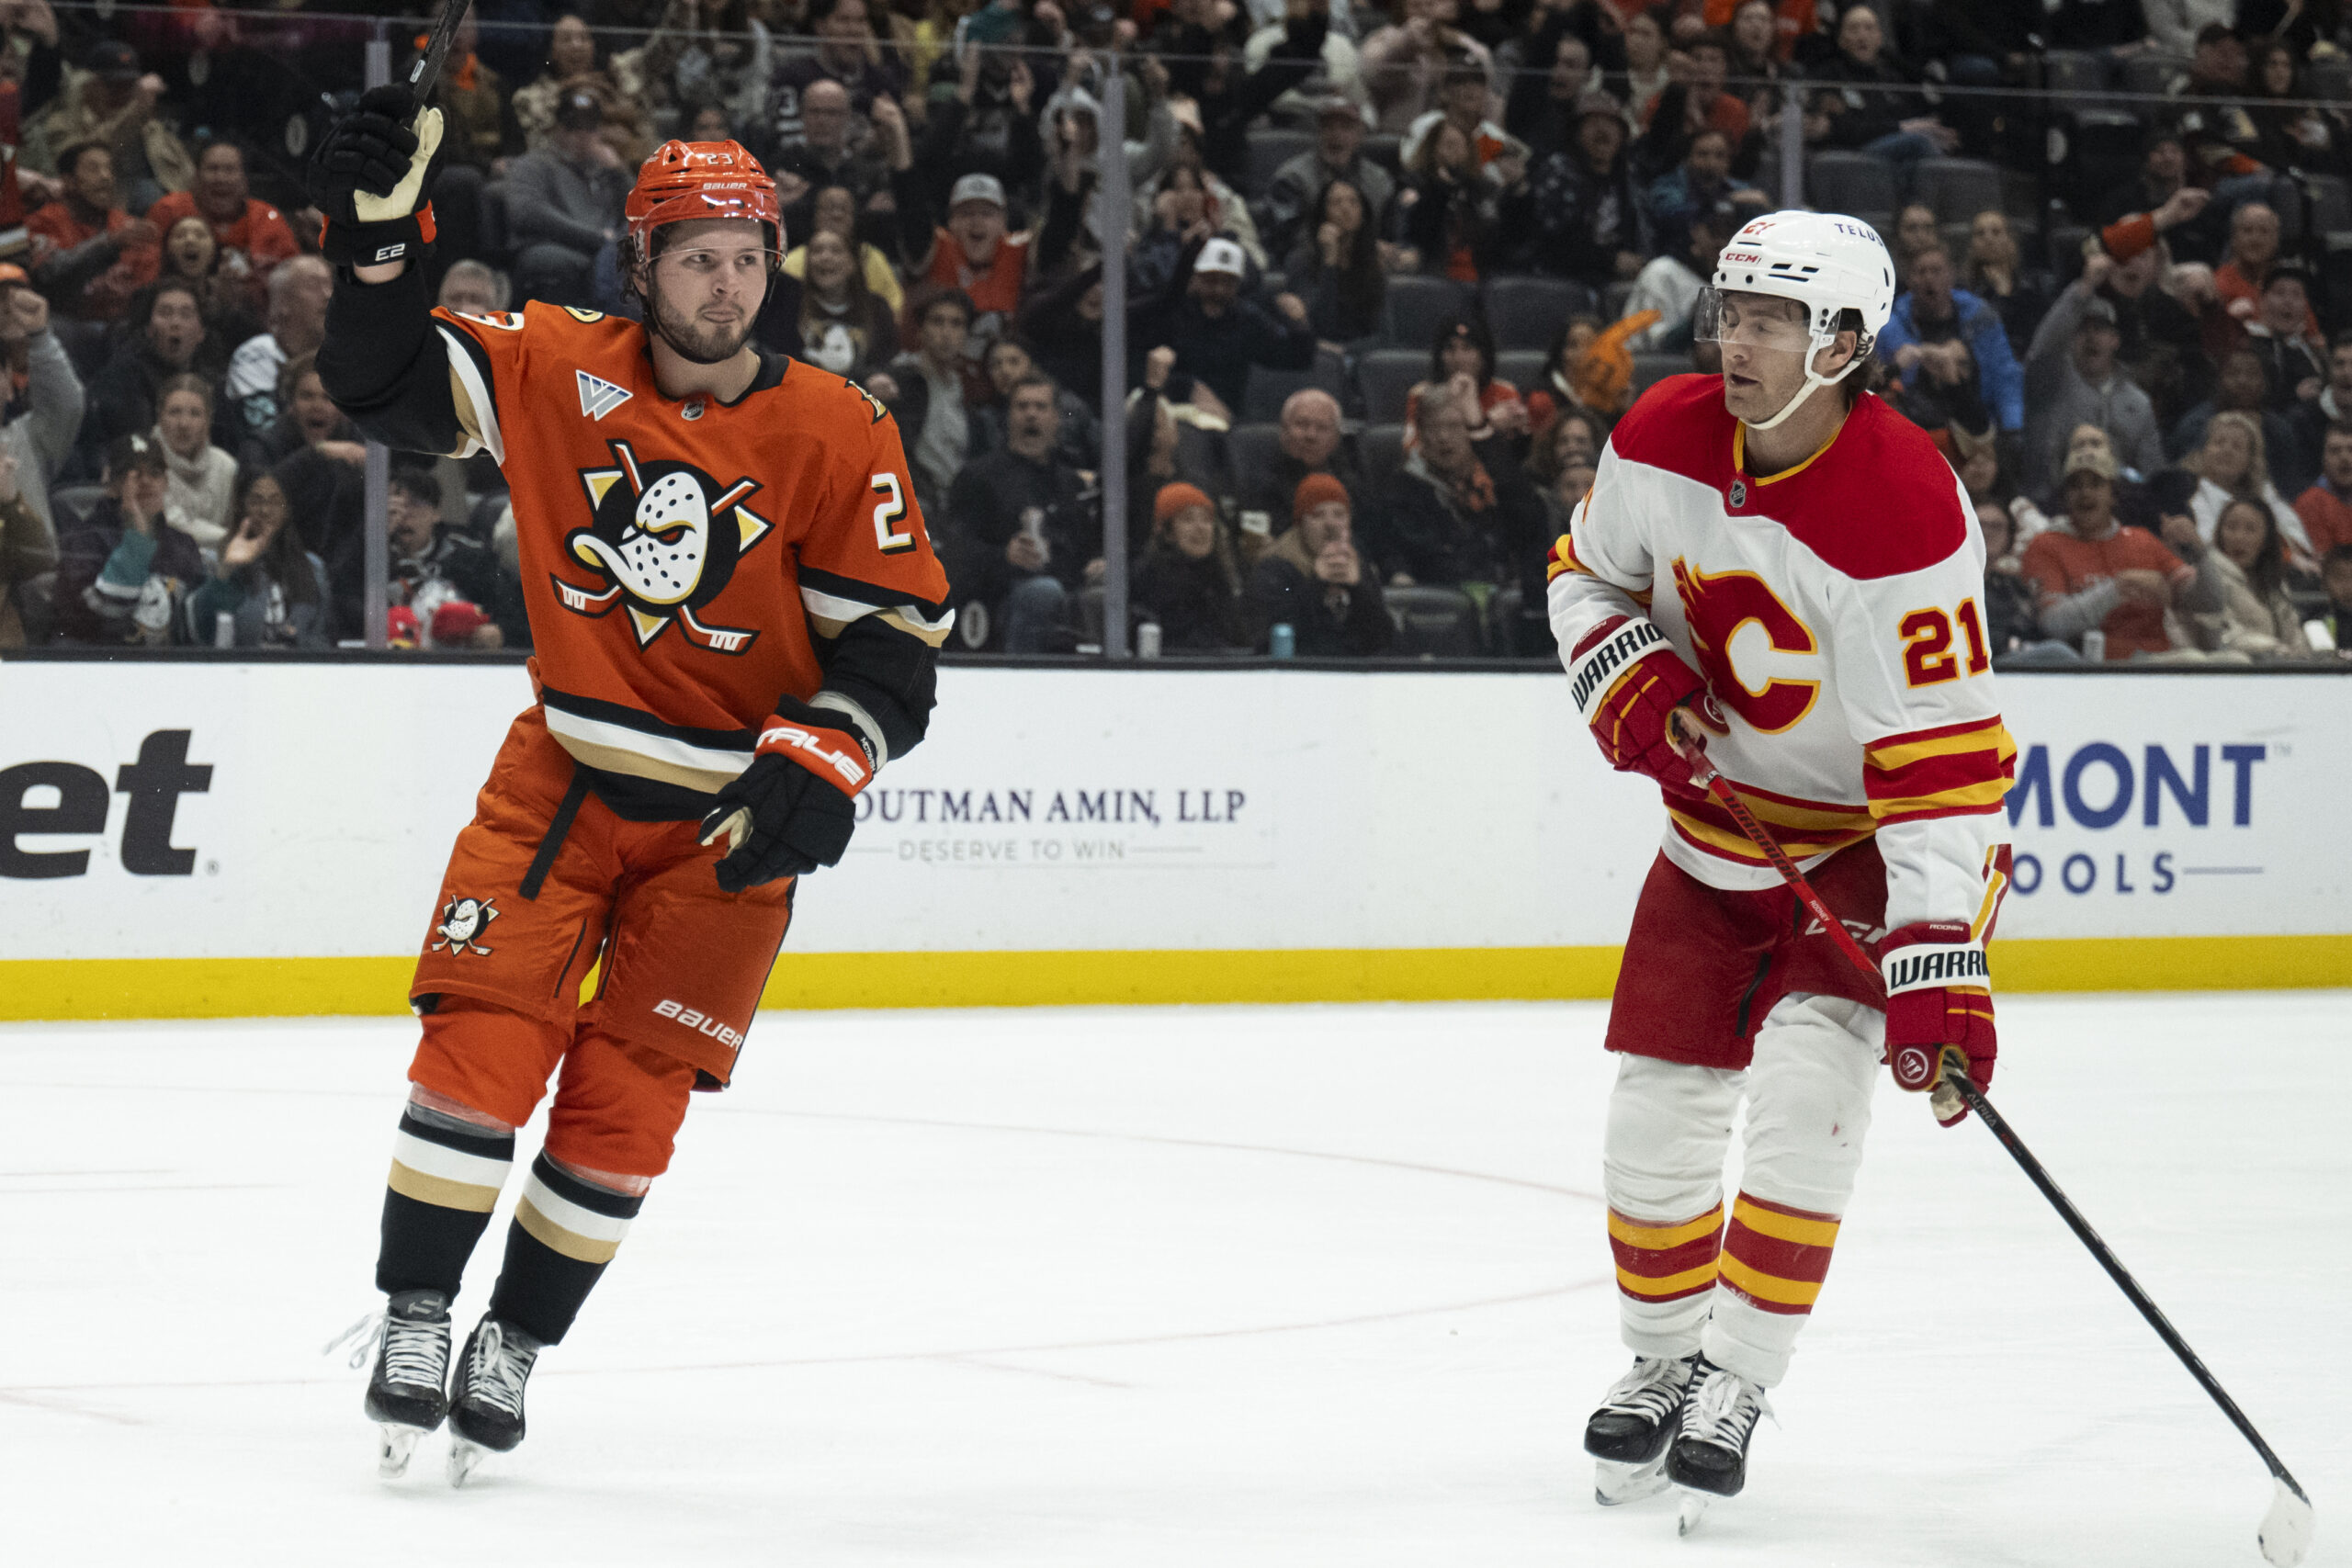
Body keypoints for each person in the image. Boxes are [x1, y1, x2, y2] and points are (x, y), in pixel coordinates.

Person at [312, 99, 948, 1481]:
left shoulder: (839, 430)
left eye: (746, 256)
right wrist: (376, 247)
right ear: (639, 267)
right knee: (481, 1047)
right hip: (565, 780)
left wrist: (832, 749)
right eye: (696, 257)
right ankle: (417, 1313)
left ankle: (516, 1341)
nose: (727, 284)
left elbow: (898, 641)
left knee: (630, 1105)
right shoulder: (556, 364)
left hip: (728, 824)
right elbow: (382, 383)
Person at [1549, 209, 2015, 1513]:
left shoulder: (1909, 507)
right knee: (1655, 1112)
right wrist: (1628, 673)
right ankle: (1658, 1360)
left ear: (1849, 344)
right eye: (1731, 311)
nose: (1736, 339)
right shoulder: (1658, 437)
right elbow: (1583, 575)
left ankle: (1739, 1375)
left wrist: (1937, 964)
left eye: (1774, 318)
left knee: (1810, 1101)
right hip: (1719, 831)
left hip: (1866, 845)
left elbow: (1940, 761)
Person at [939, 372, 1096, 652]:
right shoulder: (979, 477)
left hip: (1069, 592)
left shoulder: (1070, 483)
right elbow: (956, 552)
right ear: (1008, 416)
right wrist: (1004, 556)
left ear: (1057, 418)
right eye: (1022, 406)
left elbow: (1085, 546)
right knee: (1042, 593)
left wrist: (1096, 562)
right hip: (998, 600)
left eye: (1040, 407)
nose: (1031, 415)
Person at [2018, 444, 2199, 660]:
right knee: (2193, 661)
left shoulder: (2141, 539)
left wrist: (2201, 554)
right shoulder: (2045, 545)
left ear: (2113, 494)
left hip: (2158, 659)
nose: (2085, 493)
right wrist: (2120, 586)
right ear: (2065, 497)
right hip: (2093, 668)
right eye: (2075, 486)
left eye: (2095, 484)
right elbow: (2054, 624)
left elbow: (2206, 605)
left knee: (2230, 662)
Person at [1132, 235, 1317, 418]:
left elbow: (1298, 358)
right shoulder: (1170, 312)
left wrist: (1299, 323)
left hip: (1226, 421)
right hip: (1172, 414)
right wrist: (1187, 387)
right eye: (1211, 279)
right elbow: (1137, 364)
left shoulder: (1248, 319)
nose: (1219, 289)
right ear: (1196, 277)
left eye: (1228, 282)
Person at [50, 430, 201, 646]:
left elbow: (195, 625)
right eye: (134, 474)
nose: (146, 481)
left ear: (166, 482)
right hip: (100, 666)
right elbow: (97, 619)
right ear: (111, 483)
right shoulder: (83, 540)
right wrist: (136, 542)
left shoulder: (183, 545)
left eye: (155, 473)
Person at [1875, 244, 2025, 444]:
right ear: (1909, 280)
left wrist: (2012, 427)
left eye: (1936, 271)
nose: (1929, 278)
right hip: (1912, 429)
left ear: (1951, 277)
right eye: (1921, 272)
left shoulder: (1980, 318)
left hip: (1976, 424)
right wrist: (1896, 368)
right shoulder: (1888, 328)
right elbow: (1870, 386)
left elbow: (2005, 374)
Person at [2022, 290, 2164, 494]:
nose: (2091, 337)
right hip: (2051, 502)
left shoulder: (2137, 402)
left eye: (2099, 329)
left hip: (2120, 507)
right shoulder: (2049, 383)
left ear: (2115, 340)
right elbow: (2042, 351)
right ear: (2069, 339)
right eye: (2081, 330)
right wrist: (2081, 288)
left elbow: (2151, 470)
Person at [505, 87, 631, 307]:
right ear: (557, 130)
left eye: (590, 128)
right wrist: (596, 238)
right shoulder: (534, 164)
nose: (582, 136)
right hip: (558, 246)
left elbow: (637, 211)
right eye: (572, 127)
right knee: (558, 262)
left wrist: (619, 172)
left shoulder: (606, 170)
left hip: (605, 249)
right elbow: (526, 212)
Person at [181, 468, 330, 649]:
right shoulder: (213, 563)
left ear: (287, 509)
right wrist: (226, 571)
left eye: (275, 502)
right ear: (240, 506)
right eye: (256, 501)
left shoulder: (313, 568)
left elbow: (321, 640)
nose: (265, 510)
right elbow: (199, 631)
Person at [1248, 471, 1390, 655]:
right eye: (1318, 515)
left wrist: (1358, 590)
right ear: (1300, 525)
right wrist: (1317, 584)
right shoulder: (1273, 570)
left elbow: (1383, 641)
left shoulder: (1357, 566)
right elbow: (1270, 638)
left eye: (1339, 515)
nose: (1330, 524)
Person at [142, 140, 298, 299]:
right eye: (212, 169)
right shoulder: (169, 210)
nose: (220, 178)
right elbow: (143, 275)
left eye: (230, 170)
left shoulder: (267, 219)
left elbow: (292, 284)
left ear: (245, 181)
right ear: (195, 178)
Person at [2165, 496, 2314, 659]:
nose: (2239, 537)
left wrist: (2302, 656)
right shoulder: (2206, 578)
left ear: (2266, 541)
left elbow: (2293, 633)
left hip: (2278, 667)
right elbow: (2224, 636)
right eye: (2231, 527)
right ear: (2219, 533)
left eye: (2250, 529)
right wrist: (2277, 649)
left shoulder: (2276, 583)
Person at [26, 140, 158, 323]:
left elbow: (148, 285)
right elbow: (47, 272)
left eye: (109, 169)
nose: (106, 177)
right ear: (69, 182)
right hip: (67, 324)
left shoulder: (128, 226)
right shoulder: (44, 221)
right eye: (93, 169)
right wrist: (108, 243)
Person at [1258, 96, 1396, 264]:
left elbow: (1390, 234)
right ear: (1318, 133)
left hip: (1365, 268)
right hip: (1307, 265)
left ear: (1359, 135)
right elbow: (1282, 239)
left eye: (1346, 128)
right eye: (1328, 127)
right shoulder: (1291, 178)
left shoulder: (1379, 181)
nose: (1336, 135)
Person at [221, 254, 332, 451]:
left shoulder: (341, 357)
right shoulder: (256, 355)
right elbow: (266, 436)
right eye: (314, 286)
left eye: (329, 285)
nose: (328, 295)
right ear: (283, 304)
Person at [1131, 481, 1253, 652]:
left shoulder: (1220, 576)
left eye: (1207, 519)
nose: (1201, 528)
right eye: (1188, 519)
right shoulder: (1152, 580)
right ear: (1168, 533)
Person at [1285, 177, 1385, 344]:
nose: (1346, 209)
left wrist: (1348, 352)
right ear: (1323, 213)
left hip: (1362, 355)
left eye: (1353, 202)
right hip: (1319, 355)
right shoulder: (1300, 261)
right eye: (1336, 203)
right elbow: (1319, 324)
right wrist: (1329, 262)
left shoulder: (1372, 261)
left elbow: (1383, 333)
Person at [153, 373, 236, 553]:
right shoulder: (146, 463)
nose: (184, 424)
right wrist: (230, 539)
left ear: (208, 421)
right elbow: (174, 526)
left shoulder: (225, 466)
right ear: (160, 417)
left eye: (195, 414)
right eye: (174, 412)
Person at [2294, 421, 2352, 561]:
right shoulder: (2310, 503)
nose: (2344, 458)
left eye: (2351, 450)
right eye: (2335, 450)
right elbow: (2329, 565)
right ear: (2323, 458)